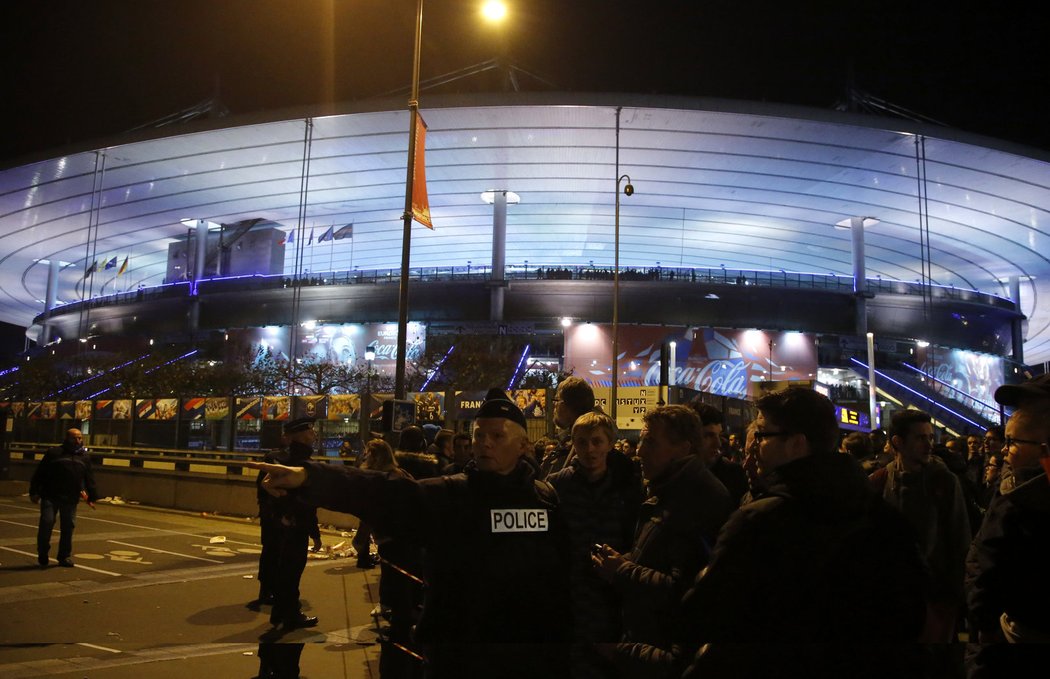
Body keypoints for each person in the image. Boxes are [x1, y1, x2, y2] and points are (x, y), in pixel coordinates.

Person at [250, 390, 571, 679]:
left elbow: (563, 583)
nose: (484, 443)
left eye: (497, 436)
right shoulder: (452, 495)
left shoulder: (546, 499)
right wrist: (309, 478)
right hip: (460, 657)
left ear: (523, 445)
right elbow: (383, 492)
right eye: (478, 435)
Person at [673, 387, 928, 678]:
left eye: (762, 435)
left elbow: (702, 614)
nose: (754, 446)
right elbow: (909, 614)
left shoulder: (760, 522)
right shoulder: (884, 518)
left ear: (796, 444)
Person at [591, 405, 733, 676]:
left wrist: (621, 571)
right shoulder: (668, 489)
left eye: (650, 442)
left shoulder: (696, 499)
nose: (639, 451)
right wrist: (627, 561)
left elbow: (684, 589)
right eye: (641, 440)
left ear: (683, 448)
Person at [548, 411, 643, 677]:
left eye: (596, 442)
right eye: (582, 442)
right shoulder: (557, 486)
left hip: (612, 594)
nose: (589, 449)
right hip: (572, 594)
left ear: (610, 443)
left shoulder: (626, 488)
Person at [966, 374, 1050, 668]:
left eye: (1012, 441)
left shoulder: (1020, 499)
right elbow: (980, 562)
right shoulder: (1009, 490)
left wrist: (989, 626)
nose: (1003, 449)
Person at [873, 409, 970, 644]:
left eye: (930, 437)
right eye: (920, 438)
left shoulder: (944, 480)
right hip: (893, 593)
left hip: (936, 595)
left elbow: (959, 538)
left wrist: (955, 593)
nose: (929, 444)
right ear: (898, 442)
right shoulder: (878, 481)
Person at [255, 417, 322, 632]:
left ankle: (278, 609)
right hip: (295, 525)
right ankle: (290, 614)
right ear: (302, 435)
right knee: (292, 571)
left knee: (279, 564)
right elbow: (307, 503)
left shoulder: (278, 458)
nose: (314, 435)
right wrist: (314, 531)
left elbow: (263, 493)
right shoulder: (302, 463)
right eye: (311, 431)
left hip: (277, 523)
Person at [29, 428, 98, 568]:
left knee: (68, 526)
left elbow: (89, 477)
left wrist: (92, 495)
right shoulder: (54, 453)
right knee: (47, 522)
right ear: (67, 438)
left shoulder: (83, 457)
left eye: (80, 438)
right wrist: (34, 491)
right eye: (75, 438)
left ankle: (64, 556)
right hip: (51, 495)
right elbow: (40, 473)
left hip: (70, 497)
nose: (78, 441)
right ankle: (43, 552)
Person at [686, 400, 748, 506]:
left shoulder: (733, 475)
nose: (718, 444)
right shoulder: (669, 472)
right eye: (708, 435)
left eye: (719, 435)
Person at [542, 376, 597, 477]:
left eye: (557, 400)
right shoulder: (572, 440)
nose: (554, 405)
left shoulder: (579, 447)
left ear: (567, 405)